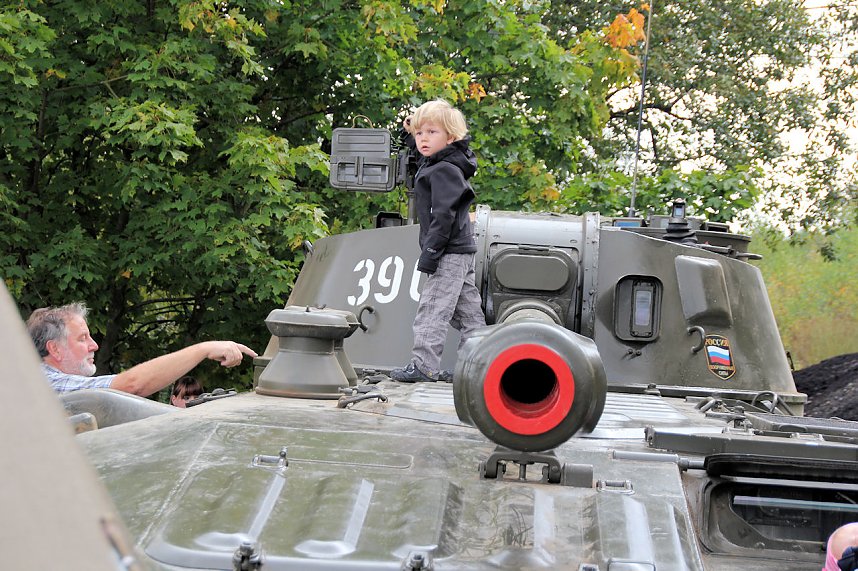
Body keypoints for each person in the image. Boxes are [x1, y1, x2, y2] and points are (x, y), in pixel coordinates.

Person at [390, 99, 486, 383]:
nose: (423, 139)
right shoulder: (444, 162)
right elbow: (424, 162)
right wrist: (411, 133)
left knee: (432, 308)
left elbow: (444, 214)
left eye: (432, 133)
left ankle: (423, 365)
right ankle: (477, 366)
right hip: (460, 248)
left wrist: (431, 252)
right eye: (420, 134)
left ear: (451, 137)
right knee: (469, 315)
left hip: (447, 249)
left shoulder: (445, 170)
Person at [27, 302, 257, 396]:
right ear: (54, 350)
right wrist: (203, 349)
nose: (94, 345)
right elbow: (131, 385)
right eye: (82, 339)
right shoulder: (44, 384)